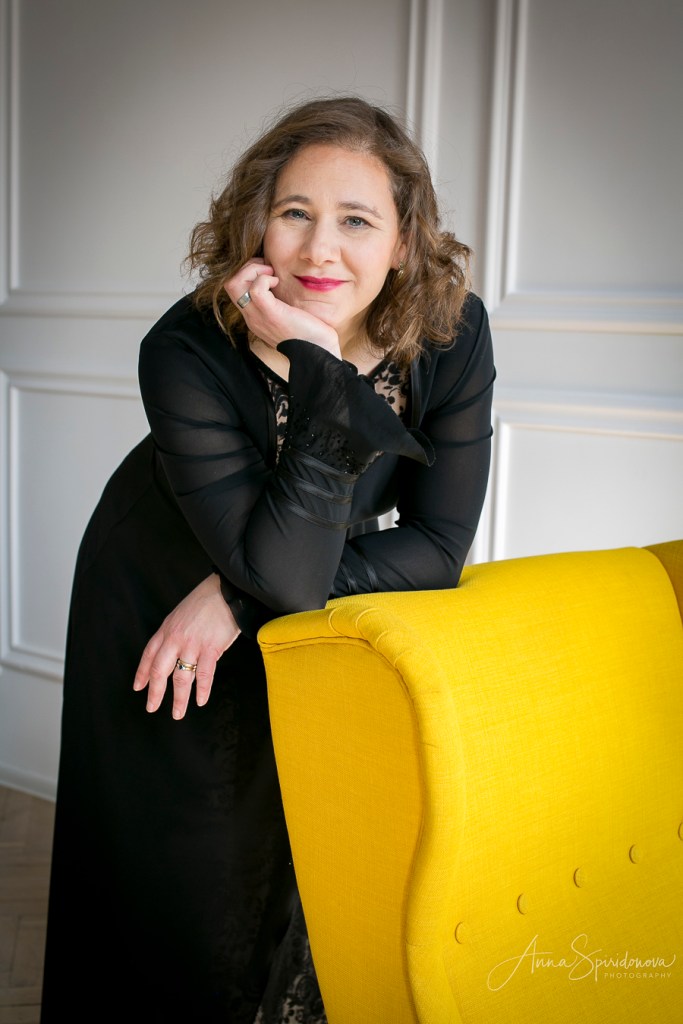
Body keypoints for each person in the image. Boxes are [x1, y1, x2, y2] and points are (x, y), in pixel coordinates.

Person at [40, 95, 495, 1023]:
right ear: (257, 224)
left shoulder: (450, 331)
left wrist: (235, 597)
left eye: (356, 220)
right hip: (159, 596)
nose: (319, 249)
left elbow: (439, 546)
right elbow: (280, 567)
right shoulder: (186, 345)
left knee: (304, 850)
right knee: (176, 867)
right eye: (295, 213)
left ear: (404, 242)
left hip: (277, 586)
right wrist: (320, 365)